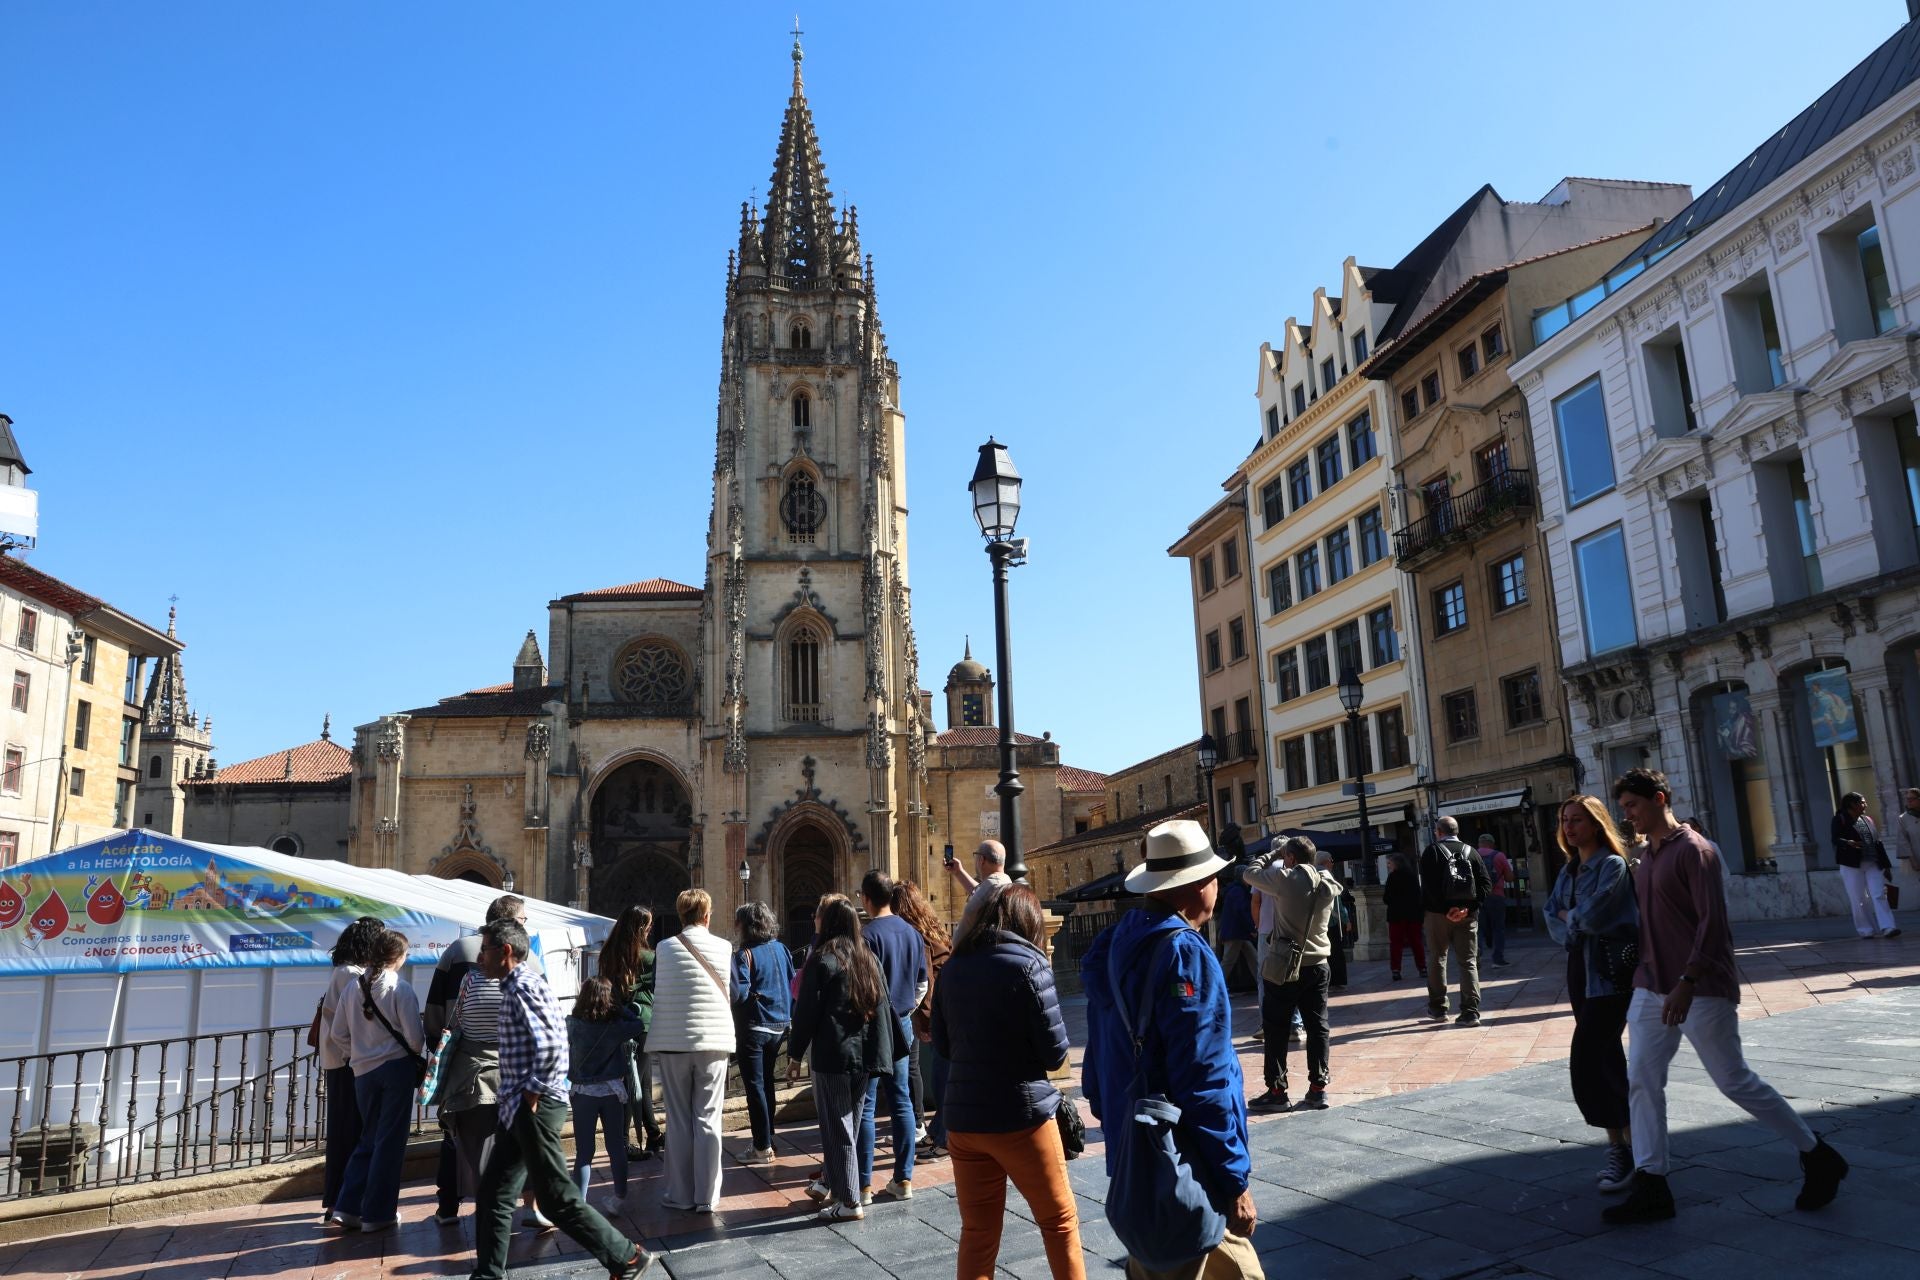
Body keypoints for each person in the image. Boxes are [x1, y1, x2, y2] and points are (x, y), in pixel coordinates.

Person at [1603, 768, 1848, 1225]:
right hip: (1650, 985)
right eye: (1624, 809)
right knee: (1641, 1079)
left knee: (1733, 1080)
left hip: (1699, 987)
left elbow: (1712, 924)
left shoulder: (1695, 851)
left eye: (1633, 806)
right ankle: (1652, 1182)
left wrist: (1688, 982)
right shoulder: (1646, 857)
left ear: (1658, 799)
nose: (1629, 816)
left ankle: (1817, 1154)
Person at [1083, 819, 1262, 1280]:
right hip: (1187, 1162)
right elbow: (1205, 1075)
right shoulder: (1185, 953)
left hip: (1137, 1155)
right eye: (1214, 878)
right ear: (1196, 886)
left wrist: (1122, 1134)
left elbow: (1097, 1062)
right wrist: (1234, 1178)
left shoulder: (1115, 942)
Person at [470, 919, 652, 1280]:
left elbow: (553, 1046)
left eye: (486, 949)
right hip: (518, 1106)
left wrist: (531, 1095)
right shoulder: (517, 987)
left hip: (531, 1105)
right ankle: (488, 1275)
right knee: (494, 1194)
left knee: (555, 1197)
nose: (480, 957)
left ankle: (627, 1256)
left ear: (505, 952)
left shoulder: (523, 987)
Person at [934, 883, 1081, 1280]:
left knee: (978, 1234)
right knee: (1059, 1223)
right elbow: (1055, 1054)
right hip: (1021, 1116)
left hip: (964, 1120)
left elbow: (944, 1046)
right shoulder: (1030, 964)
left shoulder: (955, 966)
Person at [1544, 795, 1639, 1195]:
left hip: (1609, 971)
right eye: (1565, 820)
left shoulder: (1612, 866)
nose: (1569, 827)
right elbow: (1551, 915)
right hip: (1579, 970)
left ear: (1597, 824)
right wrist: (1572, 920)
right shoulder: (1569, 870)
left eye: (1577, 820)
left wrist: (1572, 918)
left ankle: (1632, 1151)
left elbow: (1594, 914)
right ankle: (1624, 1147)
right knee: (1607, 1058)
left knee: (1590, 1059)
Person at [425, 894, 539, 1224]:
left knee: (455, 1140)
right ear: (513, 922)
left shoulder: (456, 950)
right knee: (519, 1143)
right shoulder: (526, 959)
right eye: (524, 921)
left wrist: (441, 1050)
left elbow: (435, 1014)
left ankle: (448, 1206)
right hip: (513, 1070)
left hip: (467, 1067)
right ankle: (531, 1207)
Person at [788, 894, 895, 1223]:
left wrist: (794, 1054)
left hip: (834, 1055)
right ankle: (840, 1190)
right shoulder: (868, 957)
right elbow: (883, 1006)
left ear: (829, 921)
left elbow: (806, 1011)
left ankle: (850, 1201)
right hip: (866, 1055)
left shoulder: (823, 958)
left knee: (838, 1128)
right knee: (849, 1122)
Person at [327, 929, 424, 1233]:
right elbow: (416, 1040)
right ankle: (378, 1213)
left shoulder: (352, 988)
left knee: (368, 1138)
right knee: (390, 1142)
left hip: (363, 1073)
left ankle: (347, 1206)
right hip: (395, 1070)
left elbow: (337, 1034)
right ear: (398, 956)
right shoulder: (400, 988)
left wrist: (357, 1053)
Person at [647, 889, 736, 1213]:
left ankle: (681, 1195)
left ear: (680, 915)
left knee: (679, 1119)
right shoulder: (725, 947)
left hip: (672, 1042)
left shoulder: (664, 947)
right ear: (708, 915)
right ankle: (707, 1198)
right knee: (708, 1118)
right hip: (713, 1041)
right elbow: (736, 992)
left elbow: (659, 986)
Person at [1246, 836, 1343, 1112]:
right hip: (1319, 963)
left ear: (1289, 858)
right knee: (1317, 1026)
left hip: (1285, 964)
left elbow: (1249, 873)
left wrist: (1271, 854)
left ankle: (1277, 1091)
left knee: (1276, 1026)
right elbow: (1325, 874)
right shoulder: (1327, 883)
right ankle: (1318, 1089)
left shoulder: (1283, 879)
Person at [857, 869, 924, 1202]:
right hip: (903, 1024)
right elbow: (923, 983)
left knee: (867, 1105)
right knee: (901, 1100)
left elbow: (863, 989)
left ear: (867, 898)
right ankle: (904, 1179)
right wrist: (907, 1012)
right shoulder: (912, 932)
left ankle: (865, 1185)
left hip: (874, 1028)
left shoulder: (867, 936)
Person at [317, 915, 384, 1224]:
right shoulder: (349, 974)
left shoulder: (348, 972)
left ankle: (341, 1201)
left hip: (346, 1062)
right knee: (348, 1133)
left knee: (350, 1131)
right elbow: (346, 1024)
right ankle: (339, 1202)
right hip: (346, 1064)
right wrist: (355, 1057)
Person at [568, 976, 644, 1204]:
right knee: (616, 1148)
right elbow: (639, 1024)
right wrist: (620, 1008)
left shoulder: (572, 1024)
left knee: (584, 1153)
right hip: (612, 1091)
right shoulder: (616, 1027)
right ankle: (619, 1197)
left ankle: (579, 1204)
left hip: (582, 1092)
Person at [892, 880, 954, 1160]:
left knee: (941, 1077)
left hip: (941, 1011)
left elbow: (926, 979)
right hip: (952, 1006)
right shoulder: (934, 927)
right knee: (943, 1073)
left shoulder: (915, 933)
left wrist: (924, 1021)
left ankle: (944, 1140)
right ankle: (937, 1131)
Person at [598, 906, 664, 1162]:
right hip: (643, 1023)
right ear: (639, 928)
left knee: (635, 1082)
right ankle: (624, 1143)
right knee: (635, 1085)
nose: (650, 929)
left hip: (617, 1023)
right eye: (647, 925)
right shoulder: (649, 957)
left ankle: (654, 1134)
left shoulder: (608, 954)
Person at [731, 900, 795, 1163]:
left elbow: (739, 993)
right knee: (767, 1084)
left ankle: (761, 1146)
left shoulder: (744, 954)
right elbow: (792, 980)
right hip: (780, 1025)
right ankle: (768, 1140)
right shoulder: (782, 949)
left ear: (745, 925)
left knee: (755, 1087)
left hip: (755, 1026)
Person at [1421, 815, 1491, 1027]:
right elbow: (1485, 885)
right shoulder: (1472, 852)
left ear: (1438, 832)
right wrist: (1465, 909)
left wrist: (1445, 910)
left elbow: (1428, 888)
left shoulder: (1432, 851)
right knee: (1468, 962)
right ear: (1456, 830)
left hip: (1437, 916)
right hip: (1467, 916)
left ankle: (1439, 1008)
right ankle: (1470, 1012)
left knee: (1437, 957)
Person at [1830, 792, 1899, 939]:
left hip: (1872, 863)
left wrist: (1886, 866)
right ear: (1852, 805)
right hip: (1851, 865)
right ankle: (1866, 930)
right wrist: (1848, 842)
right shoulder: (1839, 819)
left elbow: (1878, 843)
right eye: (1862, 802)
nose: (1865, 805)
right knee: (1858, 898)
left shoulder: (1867, 820)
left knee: (1879, 894)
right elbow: (1835, 839)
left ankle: (1888, 927)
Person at [947, 839, 1013, 939]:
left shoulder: (987, 891)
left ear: (982, 859)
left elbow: (960, 937)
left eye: (976, 855)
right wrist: (958, 872)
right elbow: (980, 891)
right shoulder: (1005, 881)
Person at [1382, 854, 1426, 982]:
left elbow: (1387, 898)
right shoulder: (1412, 877)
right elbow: (1419, 896)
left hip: (1396, 915)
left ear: (1396, 864)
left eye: (1390, 863)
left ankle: (1396, 970)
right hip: (1413, 915)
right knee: (1416, 942)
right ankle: (1422, 967)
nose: (1388, 865)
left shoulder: (1392, 877)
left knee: (1396, 944)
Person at [1214, 871, 1258, 992]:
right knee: (1228, 961)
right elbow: (1243, 912)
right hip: (1236, 933)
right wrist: (1252, 928)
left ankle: (1262, 983)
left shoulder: (1234, 890)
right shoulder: (1238, 891)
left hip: (1237, 933)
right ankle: (1216, 987)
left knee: (1253, 958)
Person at [1313, 851, 1351, 990]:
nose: (1332, 863)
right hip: (1331, 921)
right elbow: (1337, 902)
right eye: (1330, 860)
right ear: (1324, 862)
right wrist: (1346, 919)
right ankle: (1336, 980)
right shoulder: (1327, 876)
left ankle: (1325, 981)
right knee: (1335, 952)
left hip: (1318, 922)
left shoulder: (1312, 875)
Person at [1476, 835, 1513, 967]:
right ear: (1492, 844)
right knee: (1498, 928)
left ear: (1480, 843)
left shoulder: (1471, 855)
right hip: (1496, 896)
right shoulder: (1499, 856)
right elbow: (1509, 878)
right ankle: (1497, 959)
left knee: (1478, 929)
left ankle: (1476, 954)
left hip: (1477, 898)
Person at [1895, 788, 1920, 877]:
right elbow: (1903, 841)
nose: (1909, 801)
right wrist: (1913, 861)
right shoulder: (1903, 818)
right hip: (1917, 858)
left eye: (1912, 799)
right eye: (1907, 799)